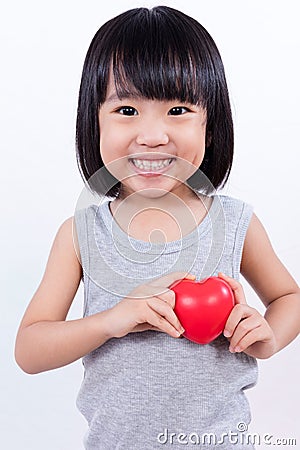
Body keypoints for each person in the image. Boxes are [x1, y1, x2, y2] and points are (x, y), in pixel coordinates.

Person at [15, 6, 300, 450]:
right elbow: (29, 350)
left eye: (179, 109)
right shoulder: (80, 233)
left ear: (211, 121)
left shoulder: (235, 222)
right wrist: (111, 321)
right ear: (94, 121)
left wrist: (267, 336)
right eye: (126, 109)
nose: (151, 135)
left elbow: (289, 297)